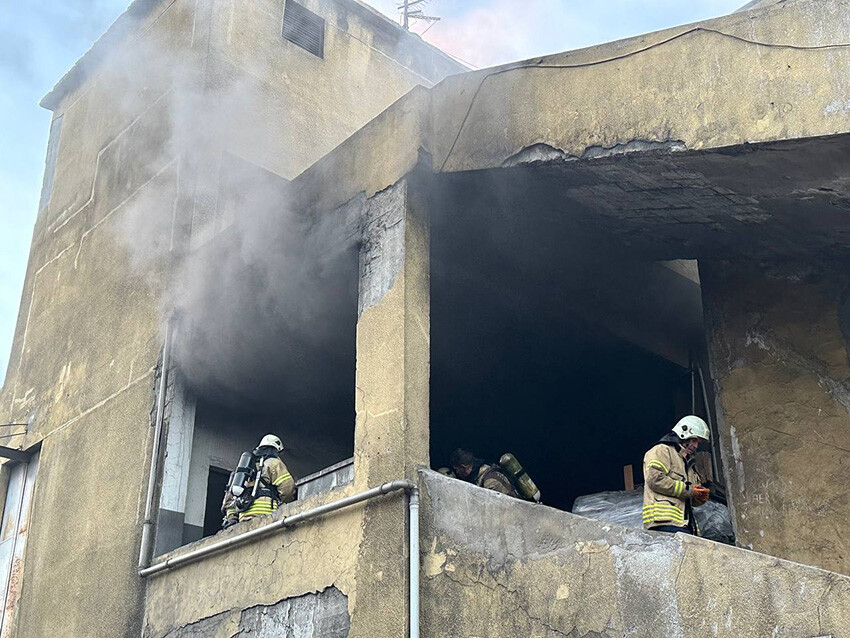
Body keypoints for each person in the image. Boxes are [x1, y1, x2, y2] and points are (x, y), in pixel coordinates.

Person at [643, 415, 711, 535]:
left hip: (685, 525)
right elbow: (655, 480)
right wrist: (690, 490)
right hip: (663, 523)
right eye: (694, 440)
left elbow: (689, 495)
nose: (696, 446)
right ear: (683, 433)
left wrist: (699, 497)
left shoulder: (688, 463)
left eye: (698, 442)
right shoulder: (662, 451)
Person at [238, 434, 296, 522]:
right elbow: (287, 488)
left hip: (243, 515)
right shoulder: (274, 463)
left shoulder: (247, 467)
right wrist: (285, 505)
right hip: (264, 513)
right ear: (275, 449)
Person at [449, 448, 519, 498]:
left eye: (457, 470)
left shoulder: (490, 481)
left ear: (463, 467)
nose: (457, 473)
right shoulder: (482, 475)